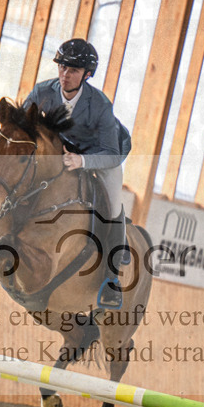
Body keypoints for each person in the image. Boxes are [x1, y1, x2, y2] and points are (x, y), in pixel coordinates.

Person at [24, 38, 132, 310]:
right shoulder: (42, 91)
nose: (65, 75)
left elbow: (112, 153)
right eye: (61, 67)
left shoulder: (100, 104)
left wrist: (82, 161)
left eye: (73, 70)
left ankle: (112, 279)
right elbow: (22, 127)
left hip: (102, 154)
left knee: (112, 203)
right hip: (64, 149)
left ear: (87, 74)